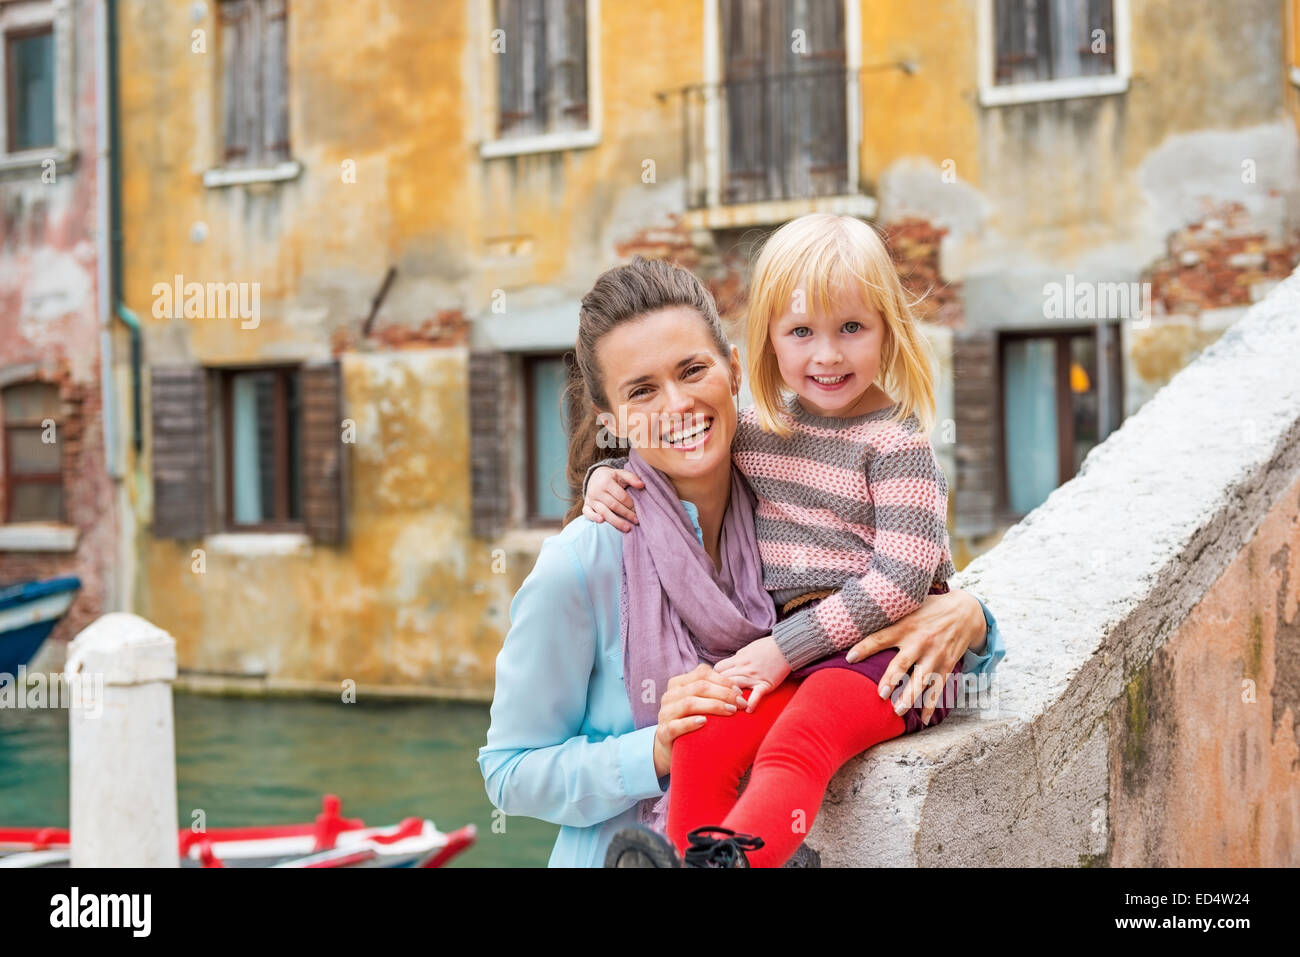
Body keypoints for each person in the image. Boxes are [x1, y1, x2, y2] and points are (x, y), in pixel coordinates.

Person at [478, 254, 1002, 868]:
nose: (676, 405)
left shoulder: (781, 492)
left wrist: (972, 615)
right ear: (611, 420)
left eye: (692, 369)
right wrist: (656, 751)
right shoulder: (580, 563)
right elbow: (507, 773)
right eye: (642, 391)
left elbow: (894, 576)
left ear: (731, 369)